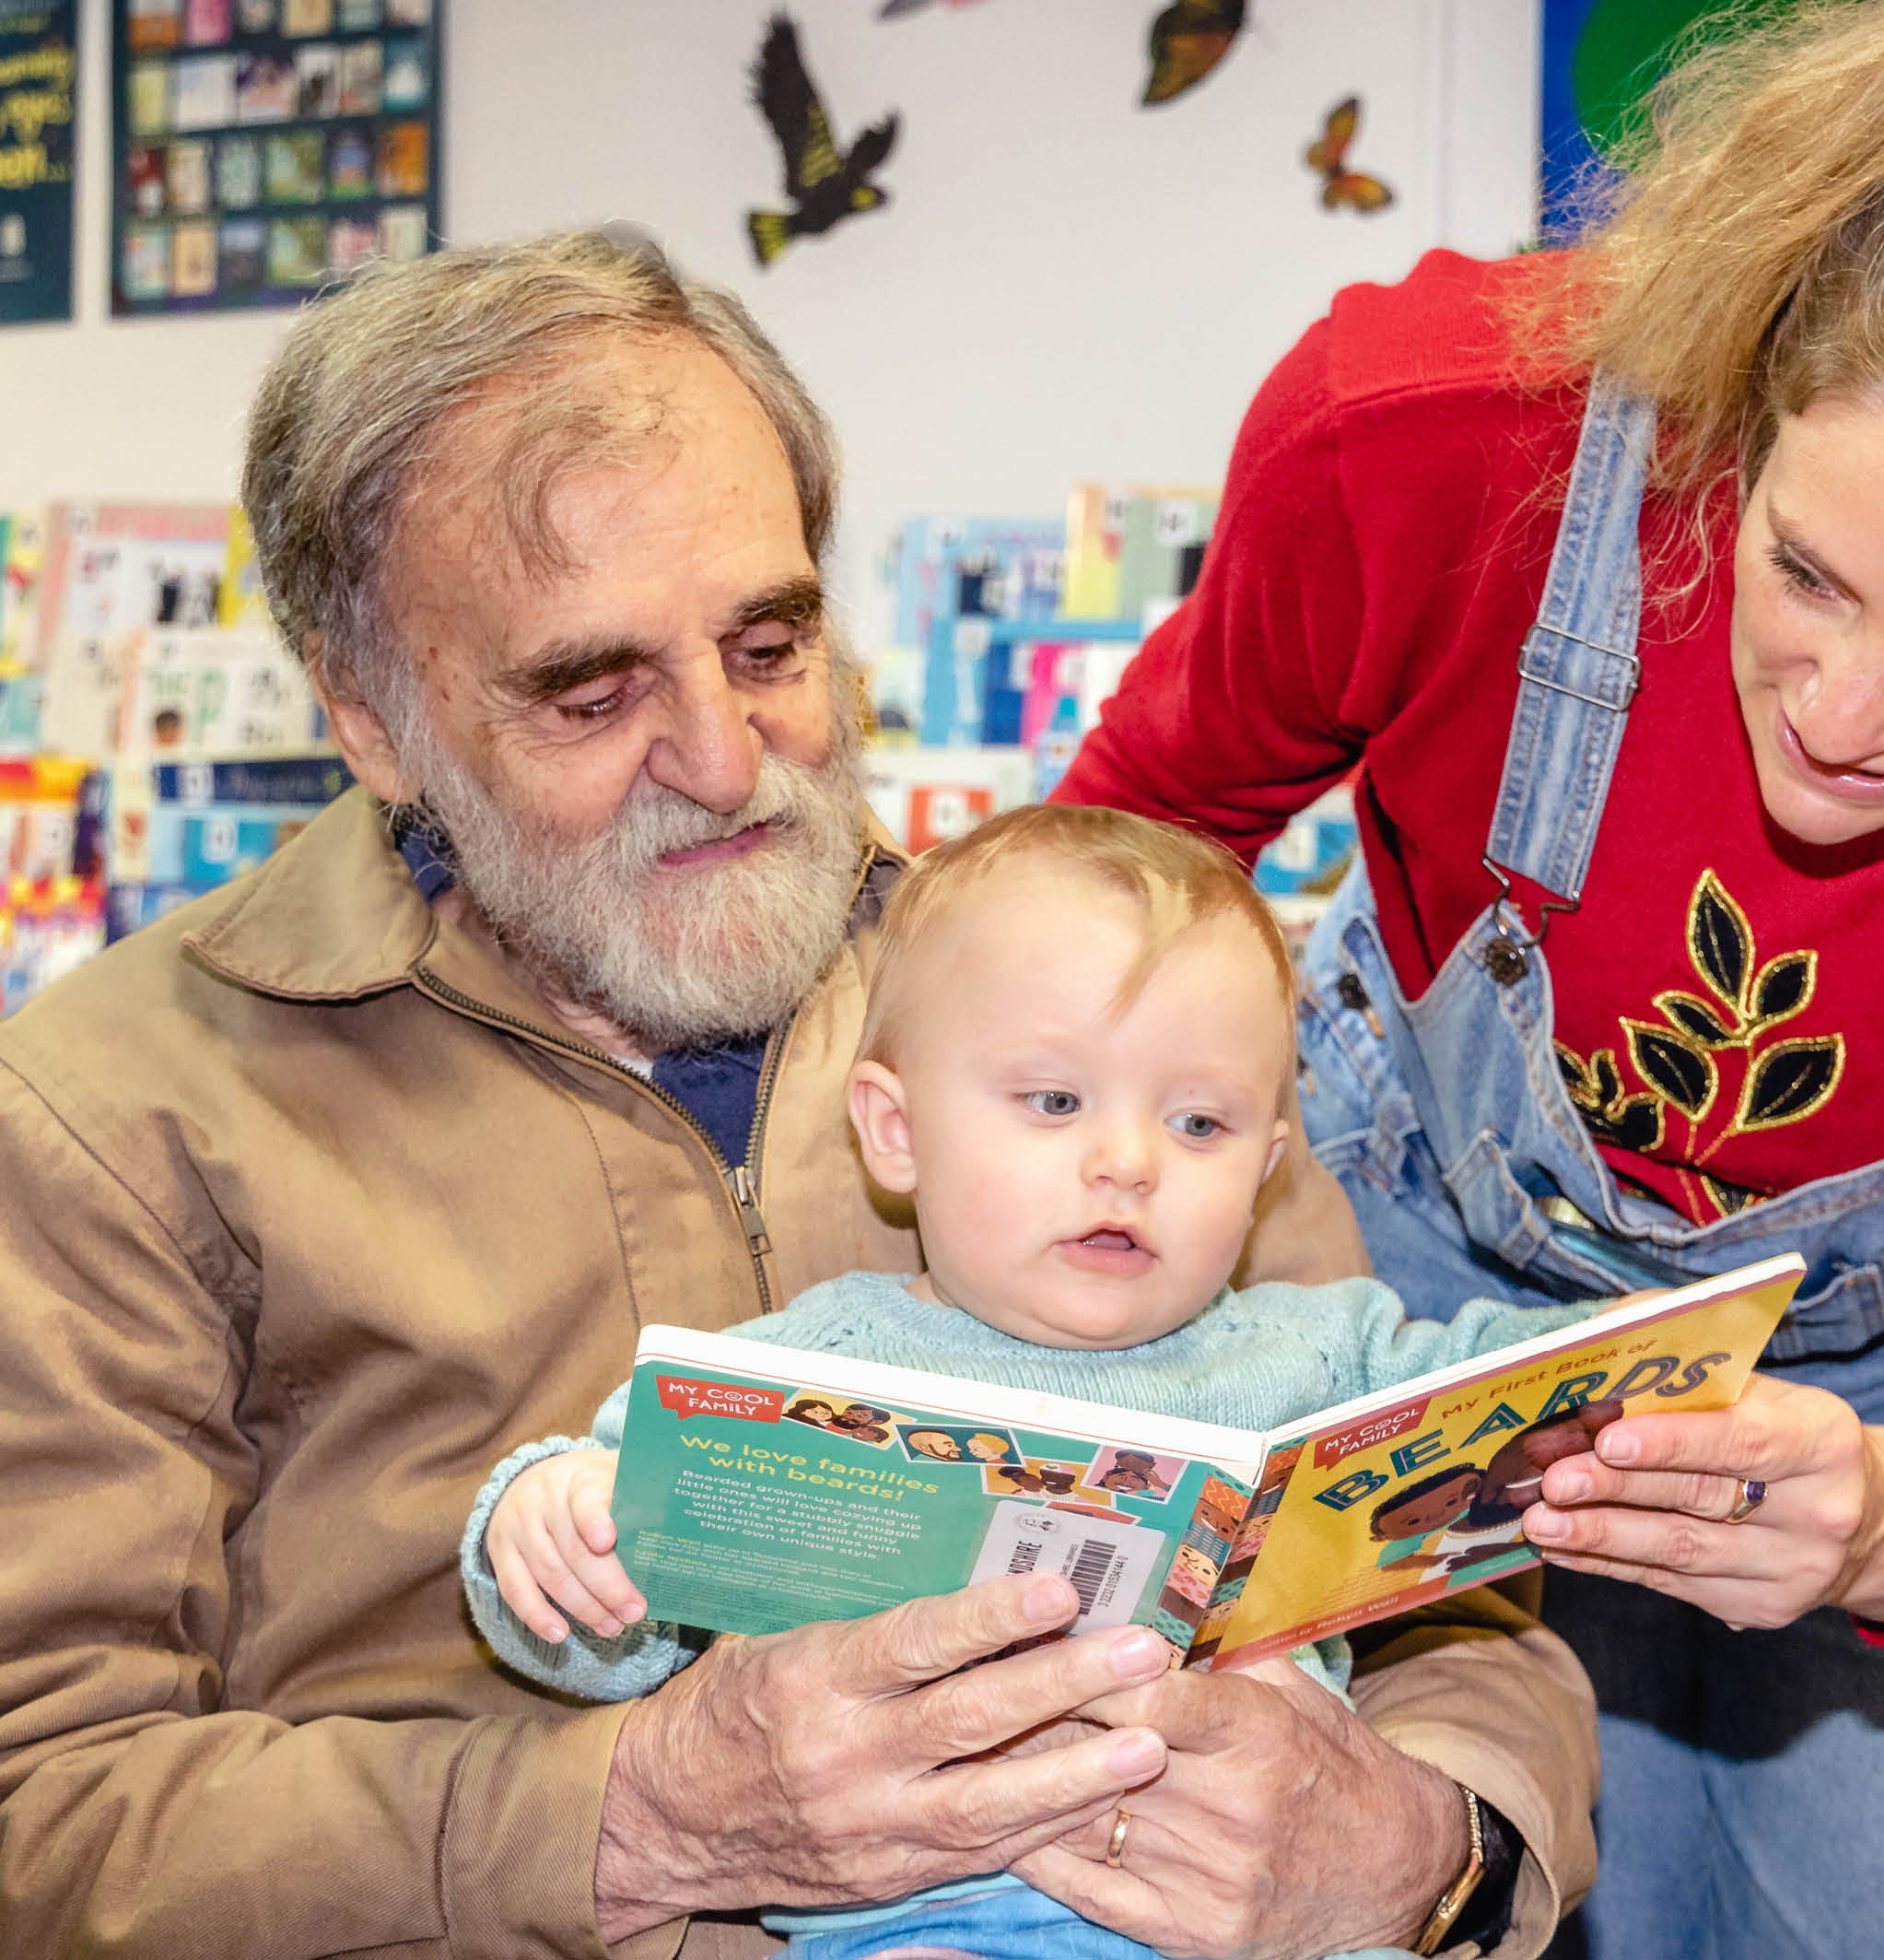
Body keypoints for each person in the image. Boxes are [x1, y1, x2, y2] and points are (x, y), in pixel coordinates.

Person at [0, 232, 1597, 1959]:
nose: (728, 756)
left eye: (771, 645)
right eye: (592, 692)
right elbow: (48, 1811)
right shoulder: (114, 1113)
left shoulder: (1091, 1029)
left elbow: (1466, 1598)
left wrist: (1428, 1852)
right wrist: (626, 1818)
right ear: (369, 715)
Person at [1052, 2, 1884, 1954]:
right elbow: (1116, 864)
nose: (1842, 719)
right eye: (1805, 572)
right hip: (1410, 1278)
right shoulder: (1413, 441)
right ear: (1744, 393)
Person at [466, 803, 1615, 1960]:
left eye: (1200, 1121)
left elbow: (1542, 1380)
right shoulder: (809, 1372)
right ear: (897, 1133)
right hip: (930, 1915)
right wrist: (552, 1520)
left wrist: (1665, 1378)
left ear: (1268, 1168)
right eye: (1055, 1102)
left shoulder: (1324, 1352)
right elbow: (614, 1617)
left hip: (1252, 1907)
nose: (1127, 1162)